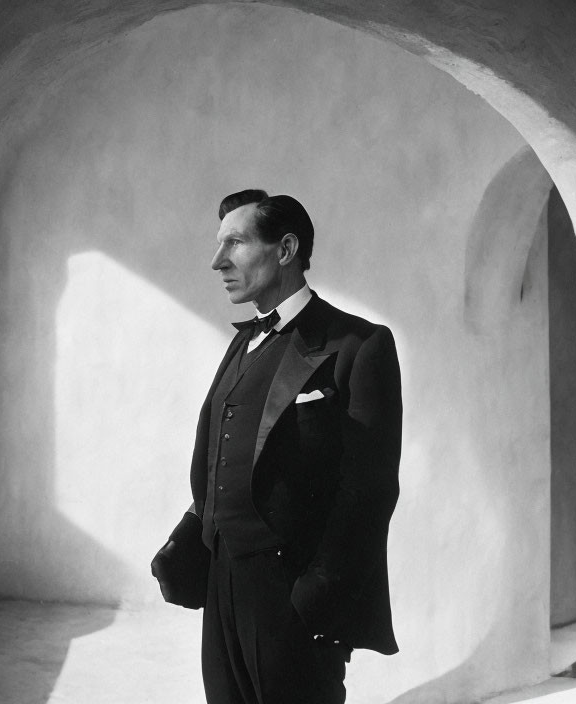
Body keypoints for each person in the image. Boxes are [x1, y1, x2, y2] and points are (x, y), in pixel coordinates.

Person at [151, 189, 402, 704]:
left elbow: (369, 491)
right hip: (223, 583)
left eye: (235, 243)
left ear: (285, 250)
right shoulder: (242, 343)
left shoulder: (358, 346)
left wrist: (316, 596)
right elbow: (224, 457)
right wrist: (188, 541)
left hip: (293, 596)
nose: (217, 261)